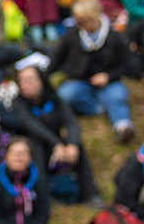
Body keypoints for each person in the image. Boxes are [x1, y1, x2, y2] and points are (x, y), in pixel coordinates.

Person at [47, 0, 135, 142]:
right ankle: (98, 108)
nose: (79, 25)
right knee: (65, 95)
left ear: (93, 18)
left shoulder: (113, 37)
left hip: (109, 82)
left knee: (117, 96)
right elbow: (57, 60)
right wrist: (42, 77)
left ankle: (123, 126)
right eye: (77, 21)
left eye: (82, 21)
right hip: (81, 81)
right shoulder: (72, 35)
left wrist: (108, 76)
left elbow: (127, 65)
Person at [13, 64, 101, 206]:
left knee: (78, 146)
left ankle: (91, 194)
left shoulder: (54, 99)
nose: (24, 85)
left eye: (29, 80)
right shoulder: (18, 102)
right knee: (35, 146)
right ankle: (42, 199)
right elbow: (31, 125)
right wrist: (55, 143)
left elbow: (71, 122)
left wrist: (72, 143)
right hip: (34, 145)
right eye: (21, 81)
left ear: (41, 82)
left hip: (55, 146)